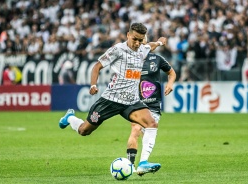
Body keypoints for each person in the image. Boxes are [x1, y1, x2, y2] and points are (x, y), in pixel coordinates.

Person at [58, 23, 167, 175]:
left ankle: (143, 163)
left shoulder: (143, 48)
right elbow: (97, 66)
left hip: (131, 101)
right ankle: (70, 118)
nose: (137, 43)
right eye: (135, 39)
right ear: (128, 35)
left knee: (151, 123)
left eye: (140, 40)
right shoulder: (118, 50)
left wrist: (161, 42)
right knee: (84, 131)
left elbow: (151, 45)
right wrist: (93, 85)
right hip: (111, 100)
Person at [126, 37, 176, 176]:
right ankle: (130, 166)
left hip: (154, 103)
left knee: (148, 131)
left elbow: (171, 73)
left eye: (144, 43)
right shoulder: (131, 60)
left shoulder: (157, 59)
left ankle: (142, 162)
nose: (141, 46)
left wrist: (170, 84)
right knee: (135, 129)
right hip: (137, 102)